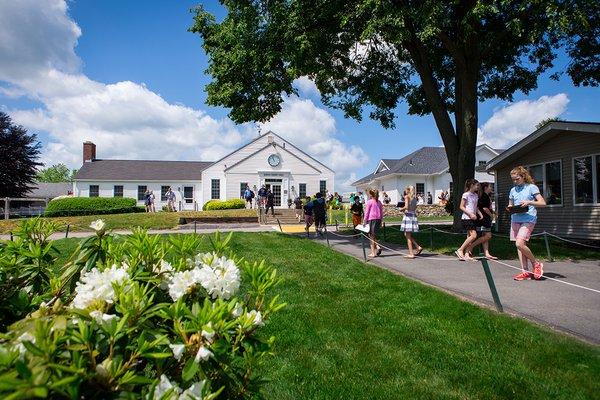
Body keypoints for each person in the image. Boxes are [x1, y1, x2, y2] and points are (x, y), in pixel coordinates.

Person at [508, 166, 546, 281]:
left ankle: (536, 264)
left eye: (517, 179)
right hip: (515, 218)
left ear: (523, 176)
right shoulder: (513, 190)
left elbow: (542, 203)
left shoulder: (531, 187)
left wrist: (529, 202)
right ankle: (525, 271)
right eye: (513, 179)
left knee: (519, 244)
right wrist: (510, 207)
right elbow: (511, 203)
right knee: (519, 247)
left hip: (528, 218)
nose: (515, 181)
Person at [465, 182, 497, 260]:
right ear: (485, 188)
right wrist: (491, 215)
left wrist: (494, 213)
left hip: (483, 218)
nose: (491, 188)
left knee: (485, 236)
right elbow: (485, 209)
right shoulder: (484, 196)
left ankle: (487, 253)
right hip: (483, 219)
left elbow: (487, 207)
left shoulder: (486, 196)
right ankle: (470, 247)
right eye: (490, 186)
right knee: (488, 235)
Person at [455, 179, 482, 261]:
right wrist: (470, 214)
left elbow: (475, 207)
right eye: (477, 185)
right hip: (467, 218)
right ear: (472, 185)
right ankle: (460, 250)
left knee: (469, 237)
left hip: (473, 218)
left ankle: (467, 254)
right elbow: (461, 206)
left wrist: (480, 214)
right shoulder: (465, 195)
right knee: (474, 235)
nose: (478, 187)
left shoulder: (476, 195)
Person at [399, 185, 423, 258]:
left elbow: (406, 207)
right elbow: (414, 207)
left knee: (408, 236)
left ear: (408, 190)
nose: (405, 191)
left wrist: (401, 209)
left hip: (408, 217)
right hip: (413, 215)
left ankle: (411, 253)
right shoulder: (415, 198)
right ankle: (417, 246)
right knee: (406, 234)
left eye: (406, 189)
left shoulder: (407, 197)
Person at [363, 188, 383, 257]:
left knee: (371, 236)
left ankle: (373, 253)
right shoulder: (379, 202)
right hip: (378, 219)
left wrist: (364, 221)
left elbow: (366, 212)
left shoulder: (369, 202)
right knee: (372, 235)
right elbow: (381, 213)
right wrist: (381, 221)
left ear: (371, 194)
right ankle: (377, 246)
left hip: (371, 219)